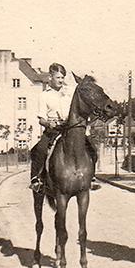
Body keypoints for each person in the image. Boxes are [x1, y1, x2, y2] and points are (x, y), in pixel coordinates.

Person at [29, 63, 97, 193]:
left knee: (92, 147)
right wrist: (49, 124)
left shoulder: (70, 93)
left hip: (70, 128)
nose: (61, 80)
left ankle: (91, 177)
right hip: (53, 130)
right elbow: (41, 119)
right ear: (50, 77)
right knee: (40, 149)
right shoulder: (44, 95)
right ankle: (37, 180)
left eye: (62, 77)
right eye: (58, 77)